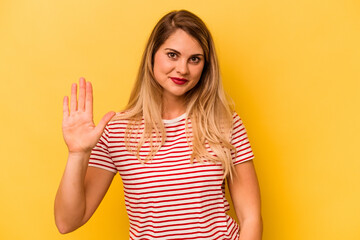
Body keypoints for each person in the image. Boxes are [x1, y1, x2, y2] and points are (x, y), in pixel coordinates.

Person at [54, 9, 262, 240]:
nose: (183, 69)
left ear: (205, 67)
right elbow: (66, 222)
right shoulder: (117, 132)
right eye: (172, 55)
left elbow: (250, 217)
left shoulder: (224, 124)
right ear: (152, 55)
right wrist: (77, 154)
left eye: (194, 59)